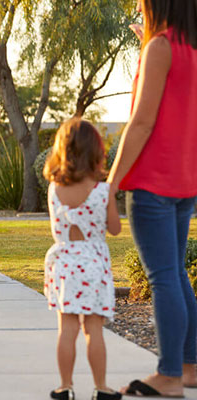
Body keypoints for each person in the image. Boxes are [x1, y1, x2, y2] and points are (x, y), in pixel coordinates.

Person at [107, 0, 197, 397]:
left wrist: (111, 183)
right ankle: (190, 368)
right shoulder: (188, 47)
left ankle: (169, 376)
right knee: (175, 274)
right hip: (183, 181)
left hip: (152, 182)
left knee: (164, 278)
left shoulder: (159, 48)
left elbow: (142, 122)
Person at [43, 118, 122, 400]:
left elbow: (56, 227)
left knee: (67, 329)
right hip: (93, 264)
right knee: (93, 330)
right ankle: (101, 388)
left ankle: (65, 387)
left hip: (65, 262)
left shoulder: (54, 188)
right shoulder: (103, 191)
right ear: (96, 152)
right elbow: (114, 228)